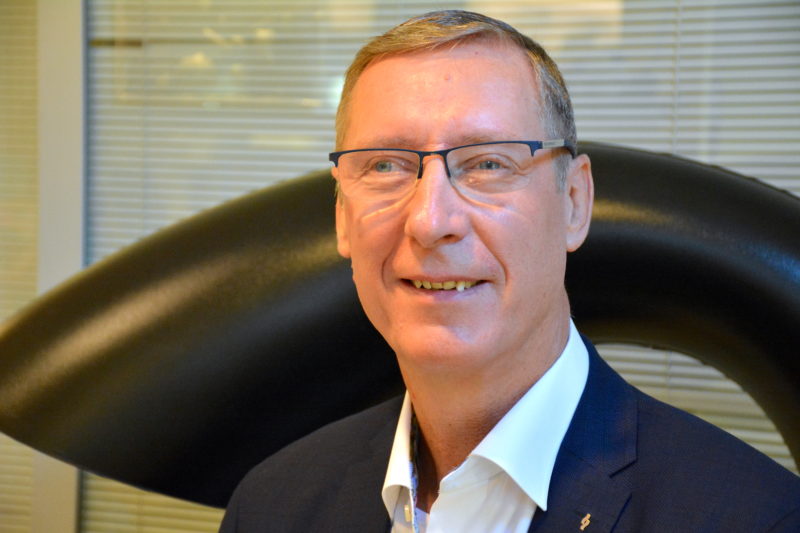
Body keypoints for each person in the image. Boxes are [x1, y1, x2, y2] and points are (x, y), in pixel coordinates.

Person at [219, 10, 800, 532]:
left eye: (488, 164)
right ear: (343, 218)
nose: (430, 221)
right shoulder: (272, 505)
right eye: (386, 167)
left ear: (574, 202)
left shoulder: (754, 517)